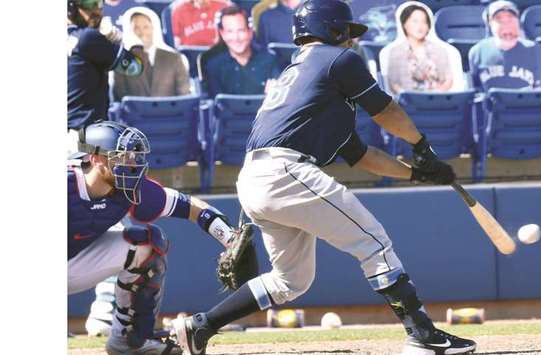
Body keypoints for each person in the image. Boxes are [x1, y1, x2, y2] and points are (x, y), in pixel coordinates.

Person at [171, 1, 476, 355]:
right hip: (283, 172)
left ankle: (200, 327)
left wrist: (415, 173)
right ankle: (423, 335)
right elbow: (386, 110)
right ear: (331, 30)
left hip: (255, 177)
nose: (351, 41)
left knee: (291, 281)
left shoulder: (307, 79)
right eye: (346, 32)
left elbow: (363, 156)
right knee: (374, 244)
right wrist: (420, 144)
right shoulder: (335, 59)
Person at [68, 121, 247, 354]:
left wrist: (229, 238)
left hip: (72, 263)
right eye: (122, 157)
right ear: (96, 159)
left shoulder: (129, 189)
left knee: (148, 244)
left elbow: (189, 206)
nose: (132, 164)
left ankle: (129, 342)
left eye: (133, 156)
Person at [67, 0, 143, 142]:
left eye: (99, 4)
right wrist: (118, 38)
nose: (96, 10)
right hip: (83, 136)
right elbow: (135, 67)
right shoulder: (87, 38)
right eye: (89, 4)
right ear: (71, 8)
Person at [380, 1, 465, 94]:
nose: (419, 26)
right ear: (404, 24)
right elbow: (393, 84)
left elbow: (448, 80)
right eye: (415, 21)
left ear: (429, 26)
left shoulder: (441, 50)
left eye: (424, 22)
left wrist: (434, 96)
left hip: (438, 100)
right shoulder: (394, 52)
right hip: (407, 104)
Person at [468, 0, 541, 91]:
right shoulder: (477, 52)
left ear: (518, 22)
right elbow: (475, 93)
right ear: (489, 24)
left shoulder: (538, 51)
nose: (506, 24)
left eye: (510, 18)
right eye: (499, 19)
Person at [113, 7, 191, 101]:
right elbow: (119, 98)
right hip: (135, 115)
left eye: (146, 27)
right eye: (136, 28)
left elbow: (185, 97)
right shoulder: (122, 62)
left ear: (154, 28)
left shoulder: (175, 58)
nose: (142, 33)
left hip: (170, 114)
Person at [203, 5, 280, 98]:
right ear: (222, 34)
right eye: (229, 32)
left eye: (241, 30)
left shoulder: (270, 60)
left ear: (250, 32)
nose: (236, 38)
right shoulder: (214, 67)